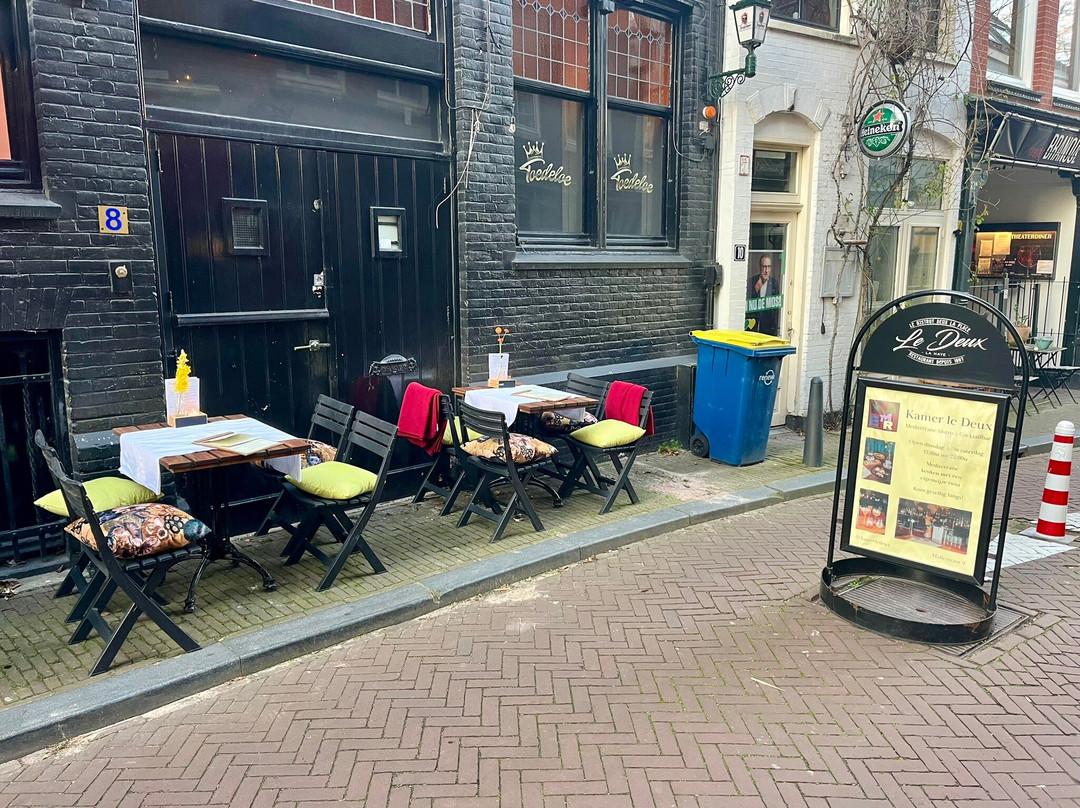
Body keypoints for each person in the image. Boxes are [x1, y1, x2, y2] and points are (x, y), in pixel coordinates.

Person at [747, 255, 782, 335]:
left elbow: (775, 311)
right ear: (760, 267)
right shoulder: (752, 282)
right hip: (753, 328)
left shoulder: (774, 284)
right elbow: (747, 303)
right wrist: (756, 290)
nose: (766, 271)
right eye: (764, 267)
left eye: (768, 267)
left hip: (768, 329)